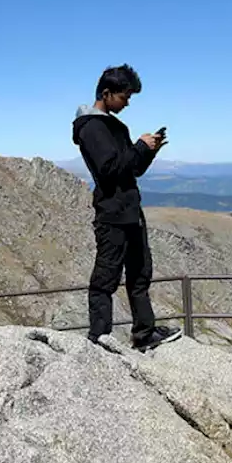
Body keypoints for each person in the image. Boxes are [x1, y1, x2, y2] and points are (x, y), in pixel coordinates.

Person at [71, 64, 182, 351]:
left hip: (130, 210)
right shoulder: (92, 127)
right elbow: (108, 170)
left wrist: (148, 152)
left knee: (140, 273)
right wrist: (140, 148)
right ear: (106, 94)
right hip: (112, 215)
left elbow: (130, 170)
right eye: (124, 96)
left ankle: (144, 333)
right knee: (105, 278)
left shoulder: (113, 125)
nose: (128, 102)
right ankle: (99, 339)